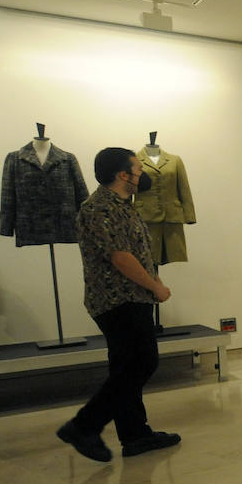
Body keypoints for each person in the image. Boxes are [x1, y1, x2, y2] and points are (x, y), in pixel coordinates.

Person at [57, 148, 181, 462]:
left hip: (131, 298)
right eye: (138, 169)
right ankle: (83, 426)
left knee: (125, 368)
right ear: (123, 175)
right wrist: (156, 286)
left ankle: (135, 434)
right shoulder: (99, 208)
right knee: (142, 364)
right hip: (118, 299)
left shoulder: (122, 206)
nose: (143, 175)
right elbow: (120, 257)